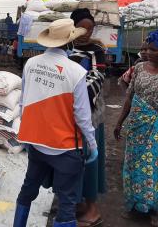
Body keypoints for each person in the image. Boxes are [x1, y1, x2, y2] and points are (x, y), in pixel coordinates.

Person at [14, 19, 97, 227]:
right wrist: (93, 144)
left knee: (28, 189)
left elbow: (24, 101)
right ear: (69, 44)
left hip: (36, 142)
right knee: (67, 199)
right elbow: (82, 115)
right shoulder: (76, 72)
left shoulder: (30, 64)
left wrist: (26, 136)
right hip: (65, 147)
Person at [114, 29, 158, 227]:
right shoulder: (139, 68)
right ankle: (135, 204)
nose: (148, 53)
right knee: (134, 165)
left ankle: (156, 208)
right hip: (137, 125)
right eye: (147, 49)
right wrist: (120, 122)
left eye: (153, 50)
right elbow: (130, 97)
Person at [69, 8, 107, 227]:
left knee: (90, 159)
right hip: (69, 114)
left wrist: (73, 97)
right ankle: (80, 202)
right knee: (74, 160)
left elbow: (97, 77)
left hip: (90, 113)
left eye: (90, 29)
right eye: (82, 28)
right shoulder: (67, 47)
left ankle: (93, 210)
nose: (86, 33)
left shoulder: (96, 50)